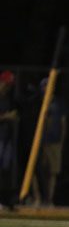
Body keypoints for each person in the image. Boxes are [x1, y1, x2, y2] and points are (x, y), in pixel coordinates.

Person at [36, 77, 67, 206]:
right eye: (43, 86)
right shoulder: (38, 103)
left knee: (52, 171)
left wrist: (62, 141)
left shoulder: (58, 104)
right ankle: (38, 198)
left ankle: (49, 200)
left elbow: (63, 123)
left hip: (54, 141)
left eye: (47, 86)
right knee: (38, 170)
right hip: (40, 142)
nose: (45, 89)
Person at [0, 70, 18, 208]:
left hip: (6, 138)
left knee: (5, 169)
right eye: (7, 84)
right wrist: (7, 116)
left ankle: (4, 199)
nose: (8, 87)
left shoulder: (7, 98)